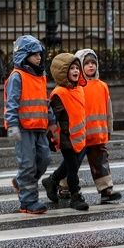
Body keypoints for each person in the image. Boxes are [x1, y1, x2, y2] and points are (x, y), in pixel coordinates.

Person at [64, 49, 122, 204]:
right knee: (72, 163)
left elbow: (108, 110)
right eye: (87, 63)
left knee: (101, 162)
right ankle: (64, 186)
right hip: (81, 135)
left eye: (93, 63)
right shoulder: (77, 87)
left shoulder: (102, 86)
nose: (90, 66)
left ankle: (106, 190)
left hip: (98, 135)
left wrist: (109, 129)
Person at [5, 35, 52, 214]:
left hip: (40, 126)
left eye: (39, 54)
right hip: (23, 128)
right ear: (23, 56)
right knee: (28, 164)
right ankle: (28, 201)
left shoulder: (41, 76)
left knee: (44, 159)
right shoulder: (17, 76)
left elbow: (44, 101)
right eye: (34, 55)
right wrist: (12, 126)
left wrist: (52, 122)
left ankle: (21, 182)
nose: (39, 57)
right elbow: (11, 104)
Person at [42, 53, 90, 211]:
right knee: (72, 168)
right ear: (63, 72)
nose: (76, 71)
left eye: (77, 68)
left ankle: (52, 180)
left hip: (80, 136)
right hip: (66, 138)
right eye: (72, 69)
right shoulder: (59, 93)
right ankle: (75, 196)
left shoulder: (80, 89)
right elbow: (54, 118)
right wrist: (54, 137)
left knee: (71, 166)